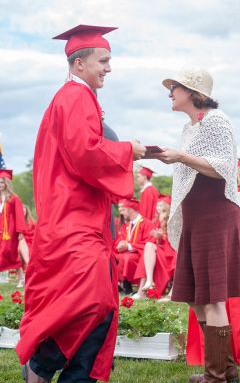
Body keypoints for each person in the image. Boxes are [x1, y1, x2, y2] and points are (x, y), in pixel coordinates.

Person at [16, 24, 146, 383]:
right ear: (78, 64)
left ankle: (73, 375)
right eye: (103, 60)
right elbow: (85, 153)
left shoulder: (77, 98)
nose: (108, 68)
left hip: (82, 218)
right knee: (94, 299)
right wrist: (127, 151)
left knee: (100, 308)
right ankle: (41, 366)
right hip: (72, 220)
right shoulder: (74, 97)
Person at [155, 65, 240, 383]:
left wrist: (180, 157)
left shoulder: (217, 121)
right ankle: (226, 369)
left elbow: (222, 168)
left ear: (193, 92)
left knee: (212, 297)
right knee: (195, 296)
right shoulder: (190, 129)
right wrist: (176, 156)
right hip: (196, 219)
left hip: (215, 216)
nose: (169, 93)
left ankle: (216, 376)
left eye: (174, 87)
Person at [133, 195, 176, 299]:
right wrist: (157, 238)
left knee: (147, 253)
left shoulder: (172, 219)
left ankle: (142, 291)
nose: (157, 207)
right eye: (157, 205)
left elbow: (176, 240)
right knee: (148, 246)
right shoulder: (156, 220)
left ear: (167, 206)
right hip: (161, 250)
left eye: (160, 205)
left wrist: (163, 237)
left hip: (171, 253)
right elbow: (154, 242)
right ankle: (149, 280)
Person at [113, 198, 153, 294]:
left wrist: (129, 246)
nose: (121, 213)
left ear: (130, 209)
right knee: (111, 256)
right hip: (126, 254)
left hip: (140, 255)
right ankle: (118, 285)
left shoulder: (147, 224)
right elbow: (121, 240)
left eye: (123, 210)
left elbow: (148, 244)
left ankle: (127, 285)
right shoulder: (126, 226)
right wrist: (120, 245)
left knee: (127, 258)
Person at [0, 169, 26, 286]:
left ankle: (22, 278)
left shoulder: (13, 198)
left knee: (10, 254)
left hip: (9, 231)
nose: (0, 185)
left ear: (7, 183)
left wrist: (20, 231)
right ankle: (21, 278)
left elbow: (19, 215)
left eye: (2, 182)